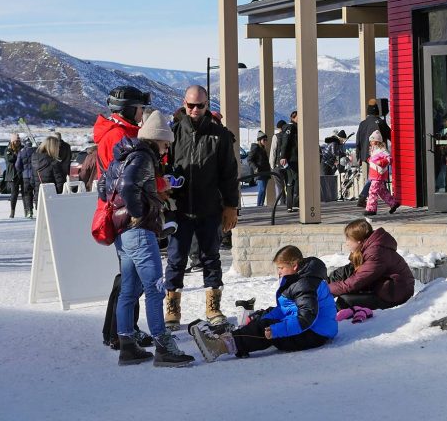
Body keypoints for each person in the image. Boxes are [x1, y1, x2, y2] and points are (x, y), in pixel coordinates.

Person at [101, 110, 194, 368]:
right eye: (166, 143)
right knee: (154, 289)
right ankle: (164, 348)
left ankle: (127, 346)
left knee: (129, 291)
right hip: (140, 232)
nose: (167, 148)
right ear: (157, 139)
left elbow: (103, 186)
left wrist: (123, 212)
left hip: (123, 234)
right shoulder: (143, 157)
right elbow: (130, 185)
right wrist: (137, 213)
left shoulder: (123, 154)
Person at [163, 85, 240, 329]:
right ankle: (172, 308)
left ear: (208, 105)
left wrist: (231, 206)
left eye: (200, 105)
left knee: (210, 258)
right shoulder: (173, 133)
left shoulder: (220, 135)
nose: (195, 110)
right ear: (184, 104)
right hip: (180, 208)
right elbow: (162, 169)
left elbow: (229, 173)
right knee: (176, 259)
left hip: (209, 208)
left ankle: (213, 306)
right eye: (191, 105)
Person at [189, 244, 337, 362]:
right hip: (311, 328)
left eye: (281, 268)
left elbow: (307, 317)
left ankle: (219, 347)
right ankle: (232, 339)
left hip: (315, 333)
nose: (279, 272)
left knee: (264, 329)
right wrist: (264, 317)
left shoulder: (305, 284)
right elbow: (284, 309)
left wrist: (276, 330)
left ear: (295, 266)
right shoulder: (299, 278)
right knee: (263, 318)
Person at [94, 85, 152, 351]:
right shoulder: (116, 136)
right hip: (124, 212)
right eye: (140, 108)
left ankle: (122, 329)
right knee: (131, 275)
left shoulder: (124, 132)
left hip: (122, 209)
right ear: (128, 109)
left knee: (130, 274)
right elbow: (120, 179)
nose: (143, 114)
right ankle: (121, 331)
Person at [328, 219, 414, 315]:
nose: (346, 243)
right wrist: (326, 281)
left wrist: (324, 290)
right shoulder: (369, 248)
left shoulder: (376, 253)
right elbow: (350, 270)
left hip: (394, 295)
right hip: (383, 289)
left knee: (345, 301)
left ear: (359, 241)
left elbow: (354, 282)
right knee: (340, 281)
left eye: (348, 239)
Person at [355, 101, 391, 208]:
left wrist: (359, 157)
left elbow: (358, 141)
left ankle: (390, 201)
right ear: (377, 111)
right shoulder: (380, 122)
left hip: (366, 155)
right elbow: (390, 135)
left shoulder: (362, 124)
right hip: (378, 154)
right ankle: (363, 196)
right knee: (375, 177)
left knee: (375, 177)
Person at [364, 131, 399, 215]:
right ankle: (393, 203)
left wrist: (382, 162)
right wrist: (370, 160)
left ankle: (371, 209)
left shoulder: (382, 150)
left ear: (376, 141)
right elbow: (374, 160)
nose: (370, 142)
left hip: (378, 174)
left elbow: (389, 158)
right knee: (381, 191)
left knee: (372, 191)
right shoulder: (374, 150)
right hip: (375, 174)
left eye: (372, 141)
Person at [276, 110, 299, 212]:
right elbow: (285, 143)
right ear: (293, 117)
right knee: (293, 180)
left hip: (294, 158)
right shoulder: (290, 128)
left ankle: (292, 205)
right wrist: (283, 156)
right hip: (292, 159)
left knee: (292, 181)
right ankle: (293, 204)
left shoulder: (296, 127)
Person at [267, 119, 288, 209]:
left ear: (279, 128)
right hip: (288, 165)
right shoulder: (289, 135)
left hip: (277, 166)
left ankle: (282, 203)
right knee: (289, 184)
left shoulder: (276, 136)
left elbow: (273, 151)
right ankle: (290, 203)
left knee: (279, 186)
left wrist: (272, 165)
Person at [4, 135, 26, 218]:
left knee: (25, 193)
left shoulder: (23, 148)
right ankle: (12, 211)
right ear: (12, 141)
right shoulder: (8, 149)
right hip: (13, 174)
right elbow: (10, 159)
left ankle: (26, 211)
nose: (18, 142)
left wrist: (19, 156)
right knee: (14, 193)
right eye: (16, 141)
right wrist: (19, 156)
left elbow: (25, 157)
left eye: (19, 141)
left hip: (22, 173)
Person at [248, 131, 272, 207]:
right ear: (259, 140)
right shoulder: (255, 148)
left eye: (266, 140)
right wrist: (255, 168)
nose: (265, 141)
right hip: (260, 172)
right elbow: (250, 159)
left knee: (264, 190)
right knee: (261, 189)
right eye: (264, 140)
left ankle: (261, 204)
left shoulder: (263, 149)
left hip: (265, 172)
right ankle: (259, 205)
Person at [13, 138, 36, 217]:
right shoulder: (35, 151)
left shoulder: (21, 152)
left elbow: (17, 165)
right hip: (35, 175)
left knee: (27, 193)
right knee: (36, 192)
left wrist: (22, 171)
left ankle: (29, 210)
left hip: (25, 176)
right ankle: (38, 208)